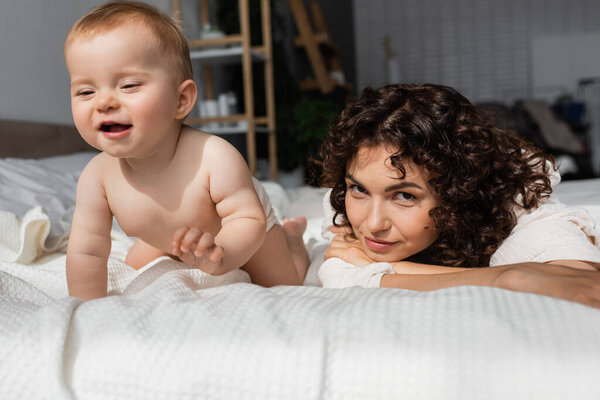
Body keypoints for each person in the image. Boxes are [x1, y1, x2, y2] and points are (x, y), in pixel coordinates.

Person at [64, 1, 308, 300]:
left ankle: (292, 240)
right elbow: (86, 251)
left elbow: (248, 220)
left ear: (181, 100)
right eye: (86, 91)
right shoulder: (96, 178)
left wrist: (221, 256)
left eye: (128, 85)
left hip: (240, 231)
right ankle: (185, 249)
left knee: (287, 285)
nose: (104, 103)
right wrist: (87, 308)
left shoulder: (214, 156)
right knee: (132, 269)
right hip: (169, 238)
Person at [316, 83, 600, 308]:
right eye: (359, 189)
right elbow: (339, 275)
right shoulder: (347, 205)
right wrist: (504, 279)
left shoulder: (516, 205)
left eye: (404, 196)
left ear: (458, 192)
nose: (374, 223)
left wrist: (390, 268)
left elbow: (578, 283)